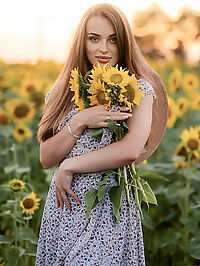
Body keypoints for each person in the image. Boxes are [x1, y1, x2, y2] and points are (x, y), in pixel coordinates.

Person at [35, 3, 168, 265]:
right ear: (82, 42)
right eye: (94, 39)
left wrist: (70, 165)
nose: (103, 48)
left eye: (113, 40)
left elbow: (130, 150)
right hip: (66, 207)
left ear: (125, 44)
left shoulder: (137, 89)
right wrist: (81, 120)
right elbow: (46, 157)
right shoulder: (63, 90)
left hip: (109, 209)